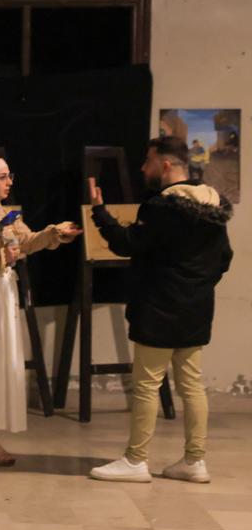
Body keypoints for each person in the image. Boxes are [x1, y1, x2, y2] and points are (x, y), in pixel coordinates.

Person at [88, 136, 233, 484]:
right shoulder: (213, 203)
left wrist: (99, 212)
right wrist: (195, 287)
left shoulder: (161, 206)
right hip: (196, 308)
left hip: (158, 307)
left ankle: (136, 460)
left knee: (146, 386)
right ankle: (194, 461)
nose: (143, 168)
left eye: (148, 161)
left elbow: (127, 245)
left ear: (165, 165)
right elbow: (224, 258)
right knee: (192, 386)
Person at [0, 158, 81, 466]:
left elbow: (27, 241)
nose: (9, 181)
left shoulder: (4, 213)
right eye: (2, 176)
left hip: (0, 292)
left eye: (10, 175)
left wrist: (54, 233)